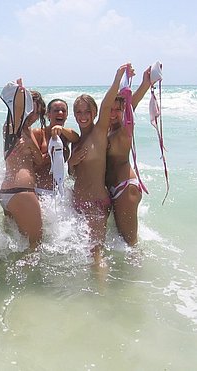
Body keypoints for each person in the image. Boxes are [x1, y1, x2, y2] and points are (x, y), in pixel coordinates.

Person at [68, 63, 132, 264]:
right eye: (78, 112)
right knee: (81, 256)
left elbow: (107, 105)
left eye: (87, 112)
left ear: (95, 113)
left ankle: (102, 295)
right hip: (77, 205)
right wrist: (71, 163)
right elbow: (73, 175)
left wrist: (117, 78)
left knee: (96, 255)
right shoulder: (76, 142)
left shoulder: (99, 133)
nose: (83, 116)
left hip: (96, 205)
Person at [106, 66, 151, 246]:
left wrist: (145, 84)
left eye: (118, 109)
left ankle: (139, 274)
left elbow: (131, 106)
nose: (114, 113)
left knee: (130, 245)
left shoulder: (124, 130)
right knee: (122, 243)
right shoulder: (108, 130)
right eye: (110, 109)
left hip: (125, 188)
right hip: (115, 189)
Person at [0, 80, 46, 251]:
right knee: (36, 244)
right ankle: (28, 278)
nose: (33, 116)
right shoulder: (13, 126)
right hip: (21, 192)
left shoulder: (27, 131)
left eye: (37, 113)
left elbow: (39, 160)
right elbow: (17, 110)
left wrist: (29, 143)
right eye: (31, 110)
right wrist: (20, 92)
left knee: (18, 245)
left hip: (12, 193)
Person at [32, 99, 79, 195]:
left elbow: (76, 138)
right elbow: (30, 166)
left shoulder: (66, 135)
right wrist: (51, 155)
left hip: (59, 193)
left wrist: (61, 129)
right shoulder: (39, 133)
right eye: (56, 110)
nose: (60, 112)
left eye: (63, 110)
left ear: (66, 116)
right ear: (48, 114)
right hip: (39, 191)